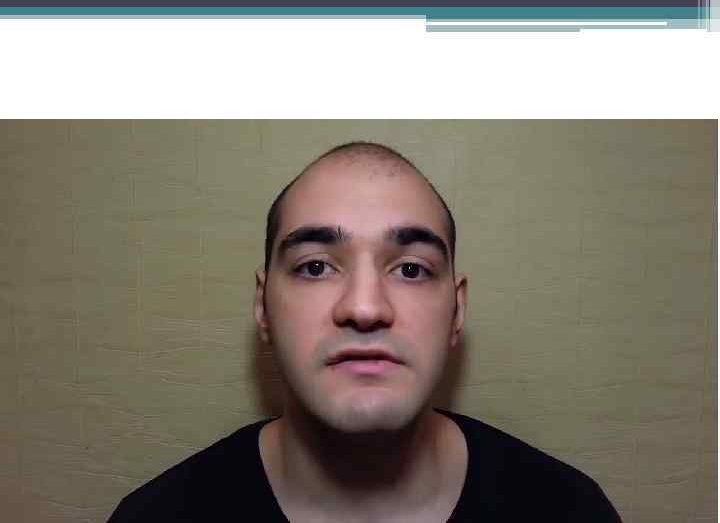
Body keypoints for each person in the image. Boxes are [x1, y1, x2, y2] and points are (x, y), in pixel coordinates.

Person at [108, 142, 621, 522]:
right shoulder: (154, 517)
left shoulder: (571, 511)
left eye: (412, 269)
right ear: (262, 306)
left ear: (457, 311)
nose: (365, 308)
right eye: (315, 267)